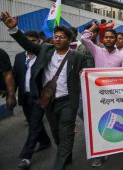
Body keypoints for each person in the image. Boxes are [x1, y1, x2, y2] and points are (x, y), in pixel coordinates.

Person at [2, 11, 86, 170]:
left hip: (68, 101)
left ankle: (59, 164)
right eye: (56, 36)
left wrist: (84, 74)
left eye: (62, 37)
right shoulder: (45, 49)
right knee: (56, 133)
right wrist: (14, 29)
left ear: (69, 39)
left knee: (66, 133)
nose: (58, 39)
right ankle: (65, 155)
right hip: (48, 101)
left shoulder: (77, 57)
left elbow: (88, 75)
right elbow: (27, 45)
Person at [81, 22, 123, 167]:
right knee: (95, 121)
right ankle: (101, 152)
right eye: (106, 37)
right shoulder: (97, 51)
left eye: (112, 37)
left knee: (111, 121)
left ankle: (113, 145)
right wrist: (94, 27)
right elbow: (84, 39)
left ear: (116, 39)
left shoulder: (121, 56)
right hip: (97, 94)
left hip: (114, 96)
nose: (109, 39)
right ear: (102, 39)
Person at [13, 30, 51, 169]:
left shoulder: (44, 56)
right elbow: (15, 76)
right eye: (27, 40)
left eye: (33, 41)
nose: (29, 43)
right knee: (33, 122)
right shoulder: (18, 57)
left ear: (38, 42)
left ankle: (26, 156)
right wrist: (11, 94)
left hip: (40, 98)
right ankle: (45, 141)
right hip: (25, 97)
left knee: (33, 125)